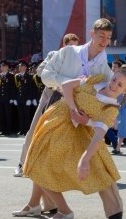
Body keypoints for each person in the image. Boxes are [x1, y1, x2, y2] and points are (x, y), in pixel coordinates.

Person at [13, 69, 126, 219]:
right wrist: (73, 109)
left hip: (71, 133)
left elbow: (98, 135)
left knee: (39, 165)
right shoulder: (97, 79)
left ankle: (64, 211)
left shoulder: (110, 109)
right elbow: (66, 85)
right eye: (114, 80)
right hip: (54, 119)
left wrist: (85, 158)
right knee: (37, 162)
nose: (114, 85)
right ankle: (35, 204)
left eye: (120, 84)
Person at [13, 33, 79, 177]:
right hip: (50, 94)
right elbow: (40, 71)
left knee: (69, 133)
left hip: (68, 98)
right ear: (64, 45)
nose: (72, 49)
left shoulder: (79, 59)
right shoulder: (54, 55)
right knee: (35, 128)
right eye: (70, 46)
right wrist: (59, 81)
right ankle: (22, 164)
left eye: (75, 46)